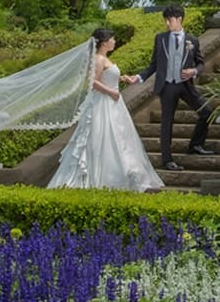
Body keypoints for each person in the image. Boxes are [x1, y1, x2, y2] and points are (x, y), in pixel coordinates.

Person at [47, 28, 164, 192]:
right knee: (103, 137)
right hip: (104, 102)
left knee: (119, 138)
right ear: (104, 42)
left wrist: (122, 78)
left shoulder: (104, 59)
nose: (114, 42)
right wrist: (110, 92)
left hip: (113, 102)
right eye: (112, 39)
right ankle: (104, 178)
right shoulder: (99, 59)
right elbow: (93, 82)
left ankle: (122, 175)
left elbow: (106, 77)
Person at [125, 4, 213, 171]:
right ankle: (167, 160)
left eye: (169, 20)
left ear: (179, 19)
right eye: (165, 20)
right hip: (167, 86)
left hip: (185, 85)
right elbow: (154, 65)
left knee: (207, 111)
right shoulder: (160, 38)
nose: (167, 23)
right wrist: (138, 77)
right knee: (167, 122)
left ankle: (195, 145)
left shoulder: (192, 40)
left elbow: (201, 63)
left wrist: (194, 71)